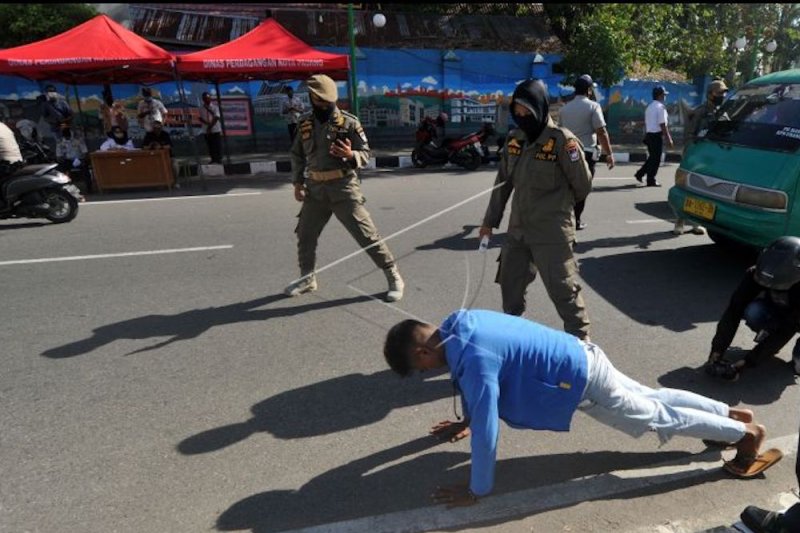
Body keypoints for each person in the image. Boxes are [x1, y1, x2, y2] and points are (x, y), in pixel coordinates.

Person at [383, 308, 783, 506]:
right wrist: (463, 421)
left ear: (422, 352)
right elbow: (482, 396)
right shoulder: (461, 323)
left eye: (420, 368)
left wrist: (477, 488)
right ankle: (729, 415)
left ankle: (745, 436)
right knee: (654, 398)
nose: (427, 372)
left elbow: (489, 428)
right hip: (582, 354)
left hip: (580, 379)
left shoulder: (471, 359)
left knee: (655, 416)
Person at [478, 78, 593, 340]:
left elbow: (582, 186)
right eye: (516, 112)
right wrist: (489, 223)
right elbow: (502, 185)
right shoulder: (515, 140)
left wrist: (557, 207)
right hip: (518, 232)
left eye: (526, 112)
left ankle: (582, 347)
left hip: (552, 233)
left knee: (564, 291)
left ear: (539, 108)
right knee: (510, 286)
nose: (521, 117)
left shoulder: (563, 142)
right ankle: (515, 340)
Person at [285, 73, 404, 302]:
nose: (324, 106)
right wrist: (298, 183)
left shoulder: (349, 123)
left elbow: (365, 154)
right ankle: (307, 278)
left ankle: (393, 275)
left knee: (366, 235)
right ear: (311, 98)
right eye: (320, 101)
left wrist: (351, 155)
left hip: (343, 188)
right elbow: (296, 154)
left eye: (328, 102)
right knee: (305, 235)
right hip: (315, 190)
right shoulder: (304, 123)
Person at [705, 236, 800, 382]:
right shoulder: (756, 273)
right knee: (753, 312)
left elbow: (787, 330)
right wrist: (717, 350)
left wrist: (747, 363)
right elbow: (734, 310)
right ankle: (768, 337)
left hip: (795, 317)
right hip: (781, 309)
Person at [558, 74, 616, 231]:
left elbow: (559, 133)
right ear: (589, 90)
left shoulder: (564, 109)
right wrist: (609, 153)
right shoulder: (593, 106)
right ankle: (575, 220)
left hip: (566, 153)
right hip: (587, 154)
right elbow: (601, 131)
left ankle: (563, 218)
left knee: (567, 187)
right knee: (582, 187)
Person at [674, 79, 729, 236]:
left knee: (704, 191)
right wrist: (690, 155)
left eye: (724, 93)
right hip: (697, 155)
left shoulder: (721, 112)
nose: (722, 96)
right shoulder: (700, 112)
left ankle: (696, 222)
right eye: (719, 93)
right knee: (687, 188)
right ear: (710, 94)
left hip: (712, 157)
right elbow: (689, 135)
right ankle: (680, 221)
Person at [634, 85, 673, 187]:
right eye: (664, 95)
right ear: (660, 95)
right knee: (656, 159)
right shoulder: (660, 107)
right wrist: (668, 138)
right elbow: (662, 124)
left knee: (652, 158)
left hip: (649, 135)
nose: (665, 97)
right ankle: (651, 180)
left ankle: (640, 173)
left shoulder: (650, 107)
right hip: (656, 136)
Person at [198, 92, 223, 165]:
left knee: (217, 144)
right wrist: (206, 124)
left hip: (215, 128)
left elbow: (216, 117)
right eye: (205, 98)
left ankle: (219, 159)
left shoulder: (215, 107)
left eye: (208, 98)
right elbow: (200, 118)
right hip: (206, 130)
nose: (206, 99)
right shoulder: (201, 108)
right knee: (210, 145)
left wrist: (210, 126)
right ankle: (213, 159)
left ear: (210, 98)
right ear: (203, 99)